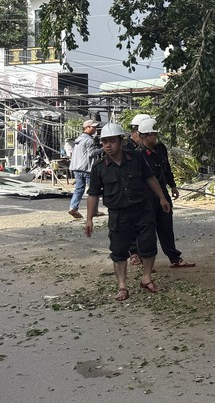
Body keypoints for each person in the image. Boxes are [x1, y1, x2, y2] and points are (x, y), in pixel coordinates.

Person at [83, 123, 172, 302]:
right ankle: (122, 286)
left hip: (142, 210)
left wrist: (162, 198)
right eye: (104, 142)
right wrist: (89, 219)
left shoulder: (137, 158)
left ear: (121, 141)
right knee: (119, 251)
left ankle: (146, 279)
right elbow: (93, 194)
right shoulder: (99, 167)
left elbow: (150, 178)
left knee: (148, 246)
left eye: (112, 141)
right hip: (118, 214)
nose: (108, 145)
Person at [129, 118, 193, 269]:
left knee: (166, 227)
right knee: (146, 230)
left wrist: (173, 186)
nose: (156, 137)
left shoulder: (161, 148)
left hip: (163, 194)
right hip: (147, 197)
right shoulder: (138, 155)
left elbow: (167, 168)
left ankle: (174, 258)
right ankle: (146, 262)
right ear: (145, 135)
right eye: (153, 134)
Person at [68, 120, 102, 219]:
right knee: (93, 190)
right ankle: (94, 211)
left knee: (79, 189)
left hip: (76, 168)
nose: (94, 129)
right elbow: (92, 154)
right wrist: (104, 149)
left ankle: (73, 207)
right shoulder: (89, 140)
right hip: (86, 168)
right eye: (93, 127)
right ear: (87, 127)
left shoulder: (79, 139)